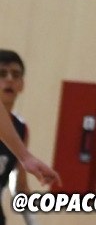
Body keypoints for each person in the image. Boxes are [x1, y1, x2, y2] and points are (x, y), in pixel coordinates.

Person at [0, 50, 60, 225]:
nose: (9, 79)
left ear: (22, 84)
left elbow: (20, 186)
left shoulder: (21, 130)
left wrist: (33, 221)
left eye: (15, 75)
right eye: (2, 74)